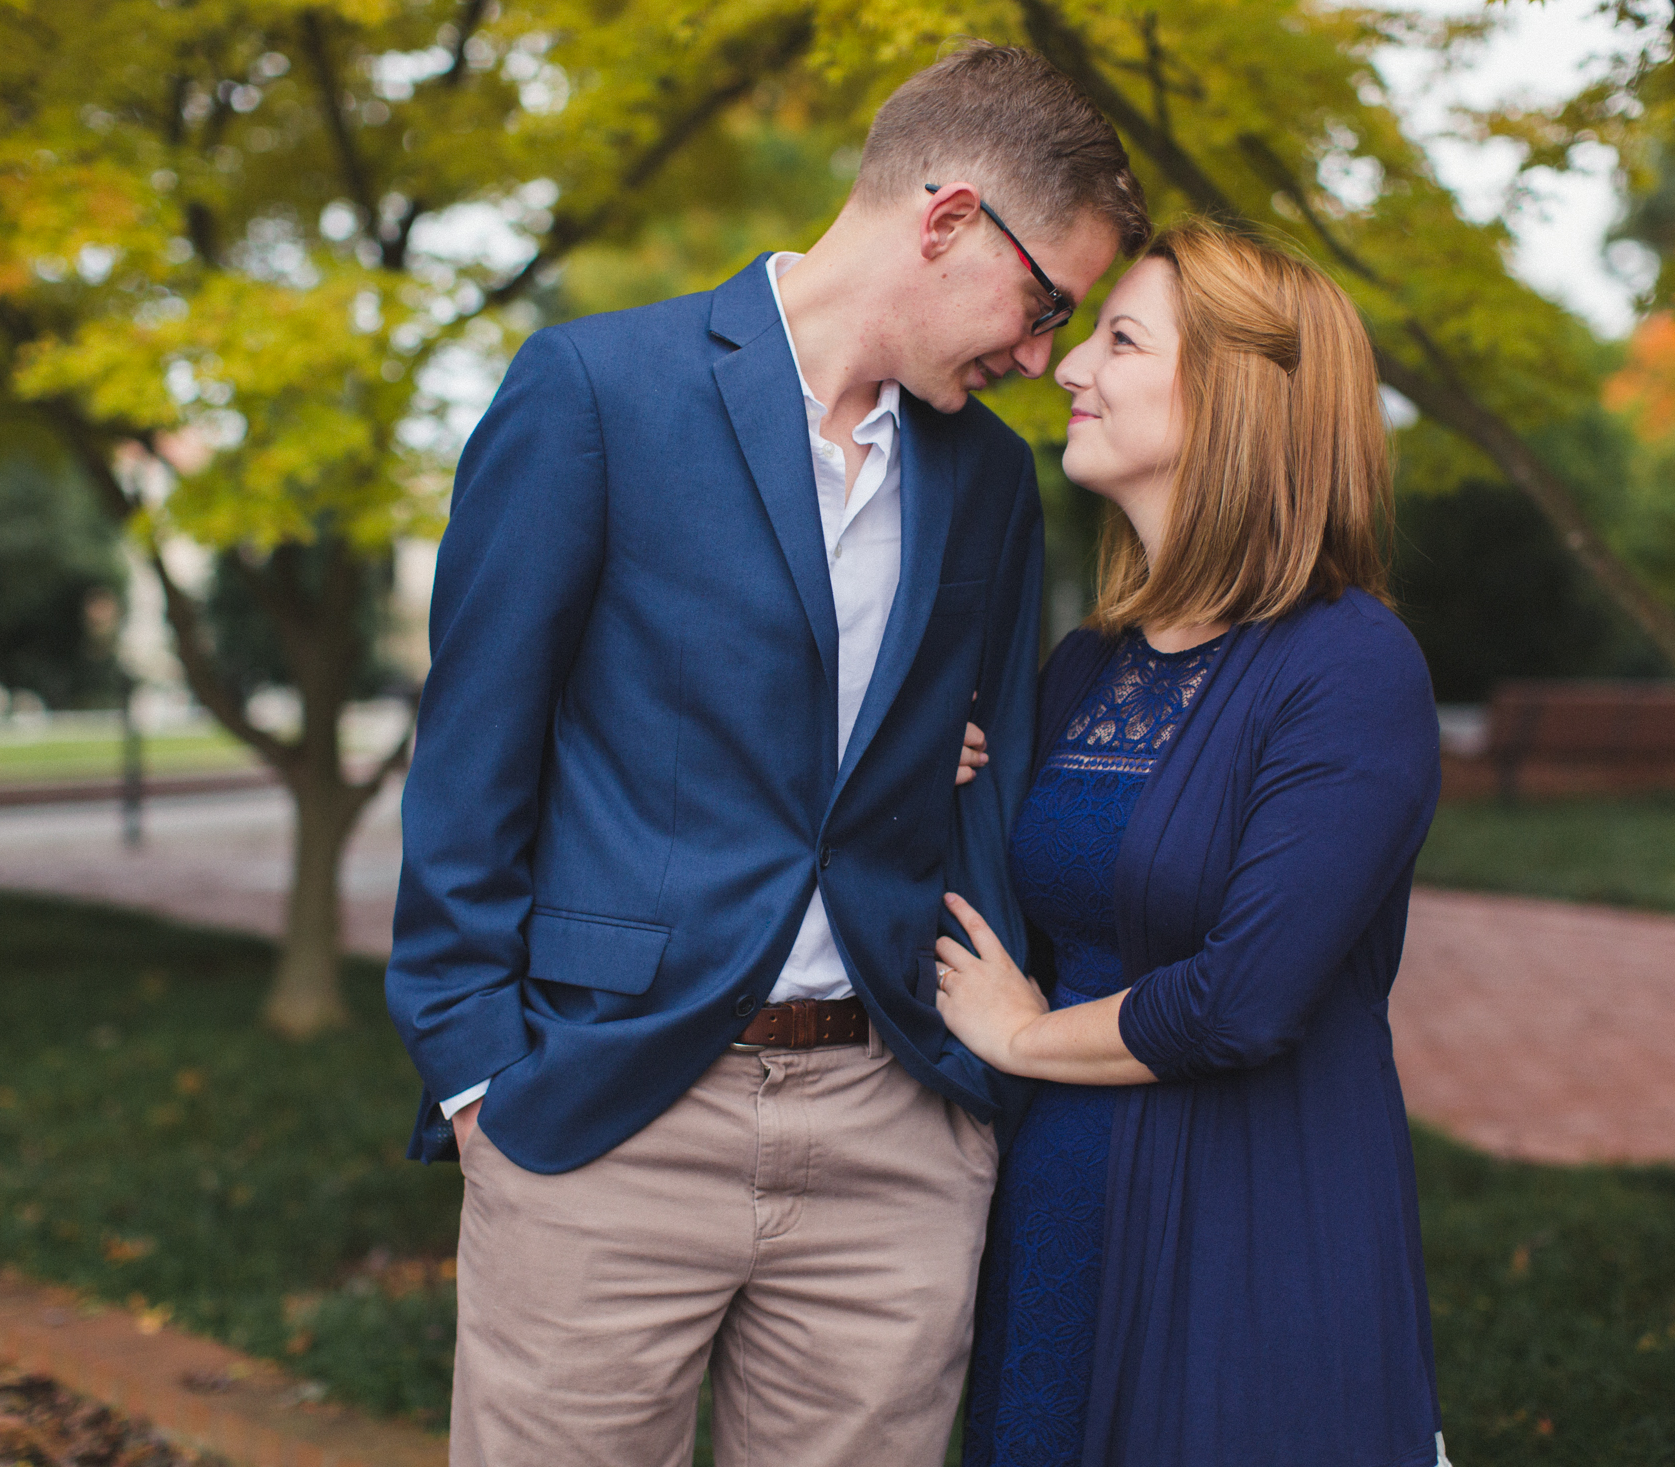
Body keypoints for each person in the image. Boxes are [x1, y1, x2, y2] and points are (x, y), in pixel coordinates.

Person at [384, 42, 1149, 1467]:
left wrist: (972, 1098)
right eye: (1045, 301)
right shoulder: (595, 391)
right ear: (946, 220)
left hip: (891, 1127)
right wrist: (478, 1069)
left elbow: (980, 765)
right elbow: (472, 751)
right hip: (608, 1113)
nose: (1042, 355)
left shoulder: (986, 475)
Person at [935, 219, 1451, 1467]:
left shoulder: (1348, 666)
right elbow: (1019, 899)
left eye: (1120, 337)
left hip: (1250, 1222)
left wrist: (1018, 1033)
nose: (1067, 367)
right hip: (1059, 1208)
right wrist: (928, 768)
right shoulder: (1084, 670)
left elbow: (1240, 1000)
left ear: (1235, 395)